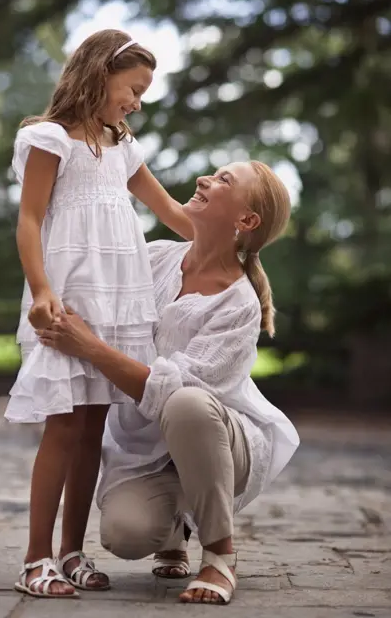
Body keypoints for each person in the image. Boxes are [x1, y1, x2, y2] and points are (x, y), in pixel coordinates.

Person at [37, 159, 301, 605]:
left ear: (247, 220)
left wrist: (89, 348)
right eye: (213, 172)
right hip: (151, 451)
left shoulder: (239, 305)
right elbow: (102, 279)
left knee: (186, 404)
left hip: (220, 442)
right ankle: (174, 529)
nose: (205, 179)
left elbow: (168, 391)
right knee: (124, 533)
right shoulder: (157, 257)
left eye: (223, 180)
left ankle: (219, 555)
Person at [5, 29, 193, 599]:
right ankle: (35, 559)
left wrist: (235, 240)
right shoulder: (50, 139)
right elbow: (31, 220)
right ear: (98, 73)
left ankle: (72, 552)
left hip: (117, 302)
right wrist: (41, 289)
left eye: (141, 94)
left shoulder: (124, 148)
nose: (136, 102)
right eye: (132, 88)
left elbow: (173, 213)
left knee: (92, 429)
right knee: (62, 426)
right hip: (67, 296)